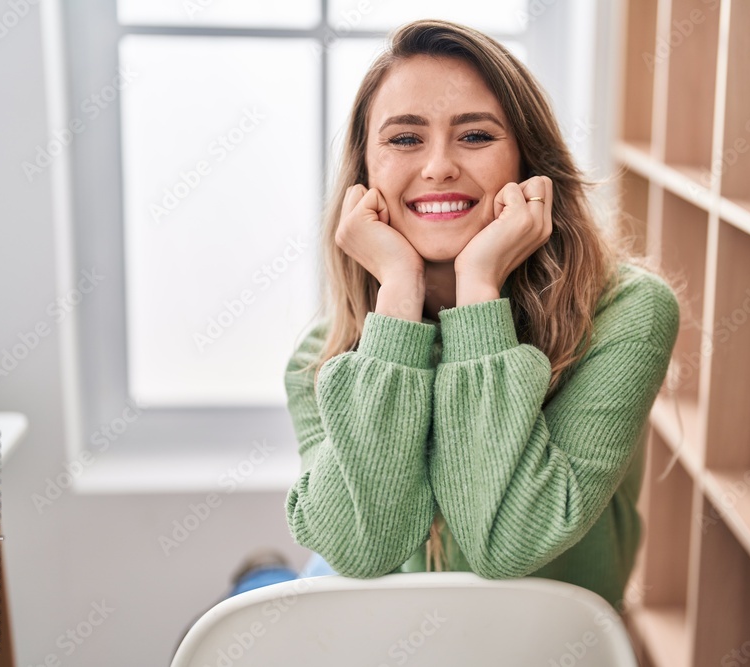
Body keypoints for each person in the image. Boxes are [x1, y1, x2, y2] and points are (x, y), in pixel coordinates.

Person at [270, 18, 678, 608]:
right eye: (405, 139)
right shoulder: (322, 353)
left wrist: (478, 285)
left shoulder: (627, 314)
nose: (438, 166)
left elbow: (509, 545)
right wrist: (401, 295)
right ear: (365, 173)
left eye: (477, 136)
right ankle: (260, 578)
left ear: (528, 165)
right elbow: (359, 549)